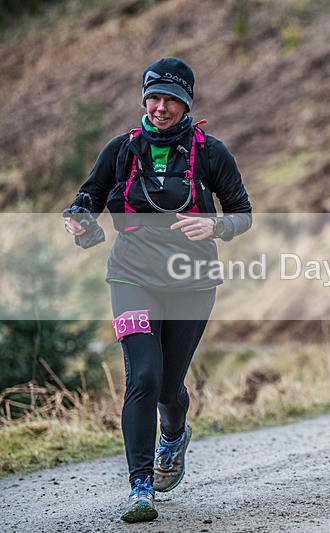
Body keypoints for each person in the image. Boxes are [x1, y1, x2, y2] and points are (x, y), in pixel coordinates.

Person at [63, 57, 252, 522]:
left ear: (187, 103)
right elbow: (88, 195)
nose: (161, 108)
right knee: (143, 377)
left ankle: (174, 434)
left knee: (169, 385)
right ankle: (140, 487)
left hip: (193, 282)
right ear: (143, 99)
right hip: (131, 275)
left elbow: (243, 213)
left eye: (171, 100)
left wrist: (215, 226)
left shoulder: (211, 152)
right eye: (154, 98)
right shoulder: (121, 149)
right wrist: (78, 217)